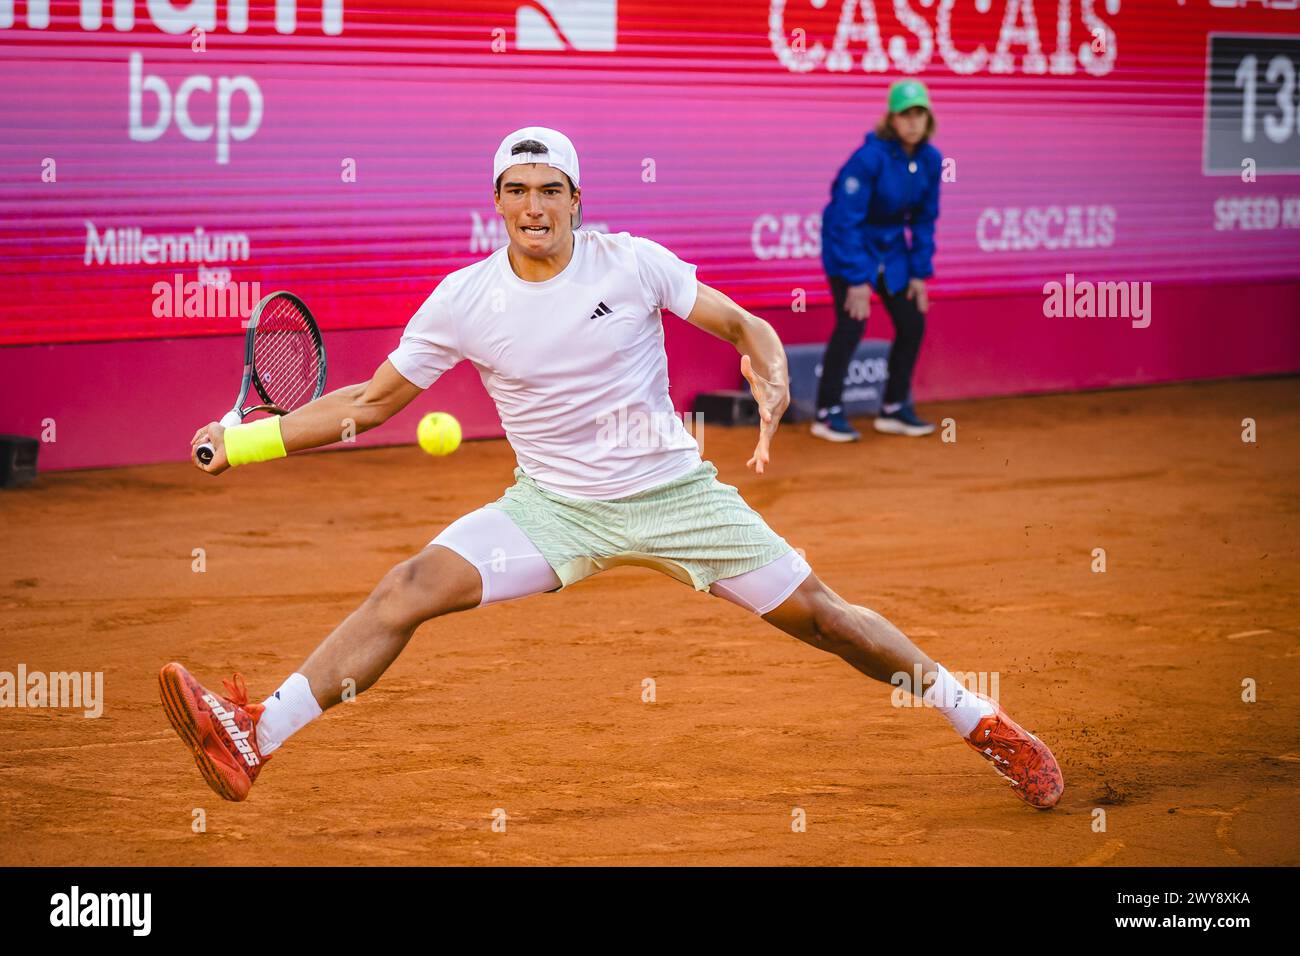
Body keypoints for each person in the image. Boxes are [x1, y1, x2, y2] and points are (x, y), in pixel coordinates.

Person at [161, 126, 1063, 811]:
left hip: (675, 497)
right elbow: (365, 402)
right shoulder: (464, 299)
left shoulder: (632, 262)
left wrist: (769, 359)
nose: (533, 207)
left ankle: (978, 719)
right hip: (553, 509)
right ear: (498, 202)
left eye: (549, 189)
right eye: (515, 191)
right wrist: (243, 441)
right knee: (407, 588)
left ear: (577, 197)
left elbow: (739, 321)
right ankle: (257, 734)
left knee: (829, 620)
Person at [813, 80, 942, 442]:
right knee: (852, 321)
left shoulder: (931, 160)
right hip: (849, 245)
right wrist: (856, 279)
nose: (913, 122)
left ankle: (894, 407)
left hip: (892, 251)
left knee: (912, 322)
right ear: (892, 118)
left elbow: (924, 219)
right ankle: (827, 412)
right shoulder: (868, 159)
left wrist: (918, 272)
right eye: (906, 115)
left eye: (920, 114)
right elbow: (844, 220)